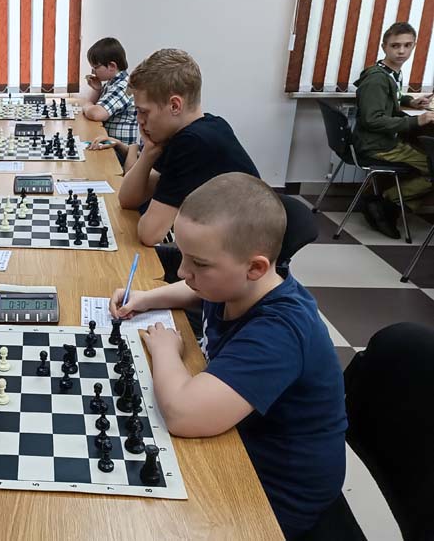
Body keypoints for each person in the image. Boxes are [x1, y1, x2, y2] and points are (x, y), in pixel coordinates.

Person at [110, 173, 346, 540]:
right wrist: (146, 298)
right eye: (183, 255)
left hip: (271, 493)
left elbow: (183, 415)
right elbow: (196, 290)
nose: (183, 271)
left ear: (255, 268)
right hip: (238, 442)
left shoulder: (280, 331)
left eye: (198, 264)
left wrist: (166, 350)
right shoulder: (237, 286)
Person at [118, 49, 259, 255]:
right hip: (225, 249)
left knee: (124, 258)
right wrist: (149, 151)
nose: (139, 120)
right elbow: (127, 199)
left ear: (175, 106)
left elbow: (150, 234)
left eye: (143, 111)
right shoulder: (203, 127)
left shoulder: (193, 143)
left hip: (237, 259)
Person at [353, 21, 434, 238]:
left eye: (407, 45)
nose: (401, 51)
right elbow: (372, 119)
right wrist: (416, 121)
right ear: (384, 47)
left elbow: (391, 96)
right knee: (432, 165)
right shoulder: (376, 79)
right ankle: (386, 202)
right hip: (378, 145)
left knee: (426, 156)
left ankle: (388, 206)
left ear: (414, 46)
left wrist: (409, 101)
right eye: (395, 46)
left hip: (383, 141)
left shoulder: (390, 72)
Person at [80, 37, 138, 165]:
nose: (92, 72)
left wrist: (86, 105)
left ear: (112, 66)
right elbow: (93, 108)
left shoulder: (123, 86)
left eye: (95, 67)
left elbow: (96, 113)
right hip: (109, 144)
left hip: (121, 152)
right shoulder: (112, 83)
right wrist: (97, 90)